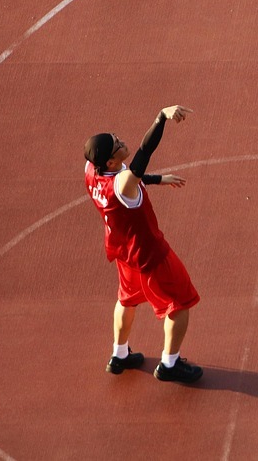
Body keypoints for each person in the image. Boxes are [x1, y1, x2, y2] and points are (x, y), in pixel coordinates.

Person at [84, 105, 203, 383]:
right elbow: (141, 158)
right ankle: (170, 364)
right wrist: (161, 117)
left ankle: (119, 354)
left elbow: (131, 179)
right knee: (180, 303)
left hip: (123, 253)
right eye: (117, 146)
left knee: (126, 299)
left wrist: (159, 180)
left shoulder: (91, 170)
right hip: (150, 254)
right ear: (111, 163)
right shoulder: (123, 183)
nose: (121, 142)